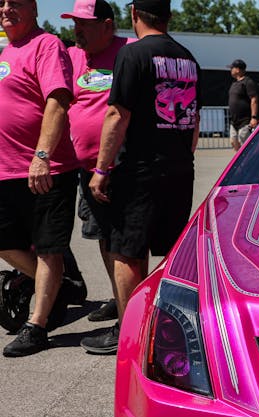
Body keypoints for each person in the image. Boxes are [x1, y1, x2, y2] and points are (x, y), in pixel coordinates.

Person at [81, 0, 201, 355]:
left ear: (134, 13)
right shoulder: (188, 59)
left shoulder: (133, 54)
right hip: (180, 170)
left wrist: (101, 169)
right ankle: (163, 331)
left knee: (127, 255)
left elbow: (117, 114)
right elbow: (194, 120)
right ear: (168, 15)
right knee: (168, 255)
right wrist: (181, 157)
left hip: (140, 171)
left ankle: (132, 336)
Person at [0, 0, 80, 356]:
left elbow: (58, 100)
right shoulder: (7, 51)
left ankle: (37, 326)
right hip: (6, 170)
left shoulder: (47, 45)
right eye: (2, 3)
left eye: (15, 3)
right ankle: (56, 286)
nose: (6, 9)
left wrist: (42, 156)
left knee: (49, 247)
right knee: (5, 240)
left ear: (33, 8)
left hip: (45, 169)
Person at [61, 0, 135, 324]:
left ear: (107, 25)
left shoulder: (130, 51)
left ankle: (132, 312)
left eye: (84, 24)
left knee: (126, 242)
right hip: (86, 169)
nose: (77, 30)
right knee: (104, 236)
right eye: (75, 23)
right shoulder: (72, 56)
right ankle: (119, 298)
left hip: (122, 166)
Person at [227, 58, 258, 151]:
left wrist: (254, 117)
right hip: (234, 121)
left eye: (232, 68)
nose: (230, 70)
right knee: (233, 142)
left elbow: (254, 99)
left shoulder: (248, 82)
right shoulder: (234, 83)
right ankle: (242, 159)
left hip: (245, 120)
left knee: (245, 145)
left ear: (237, 69)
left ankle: (249, 159)